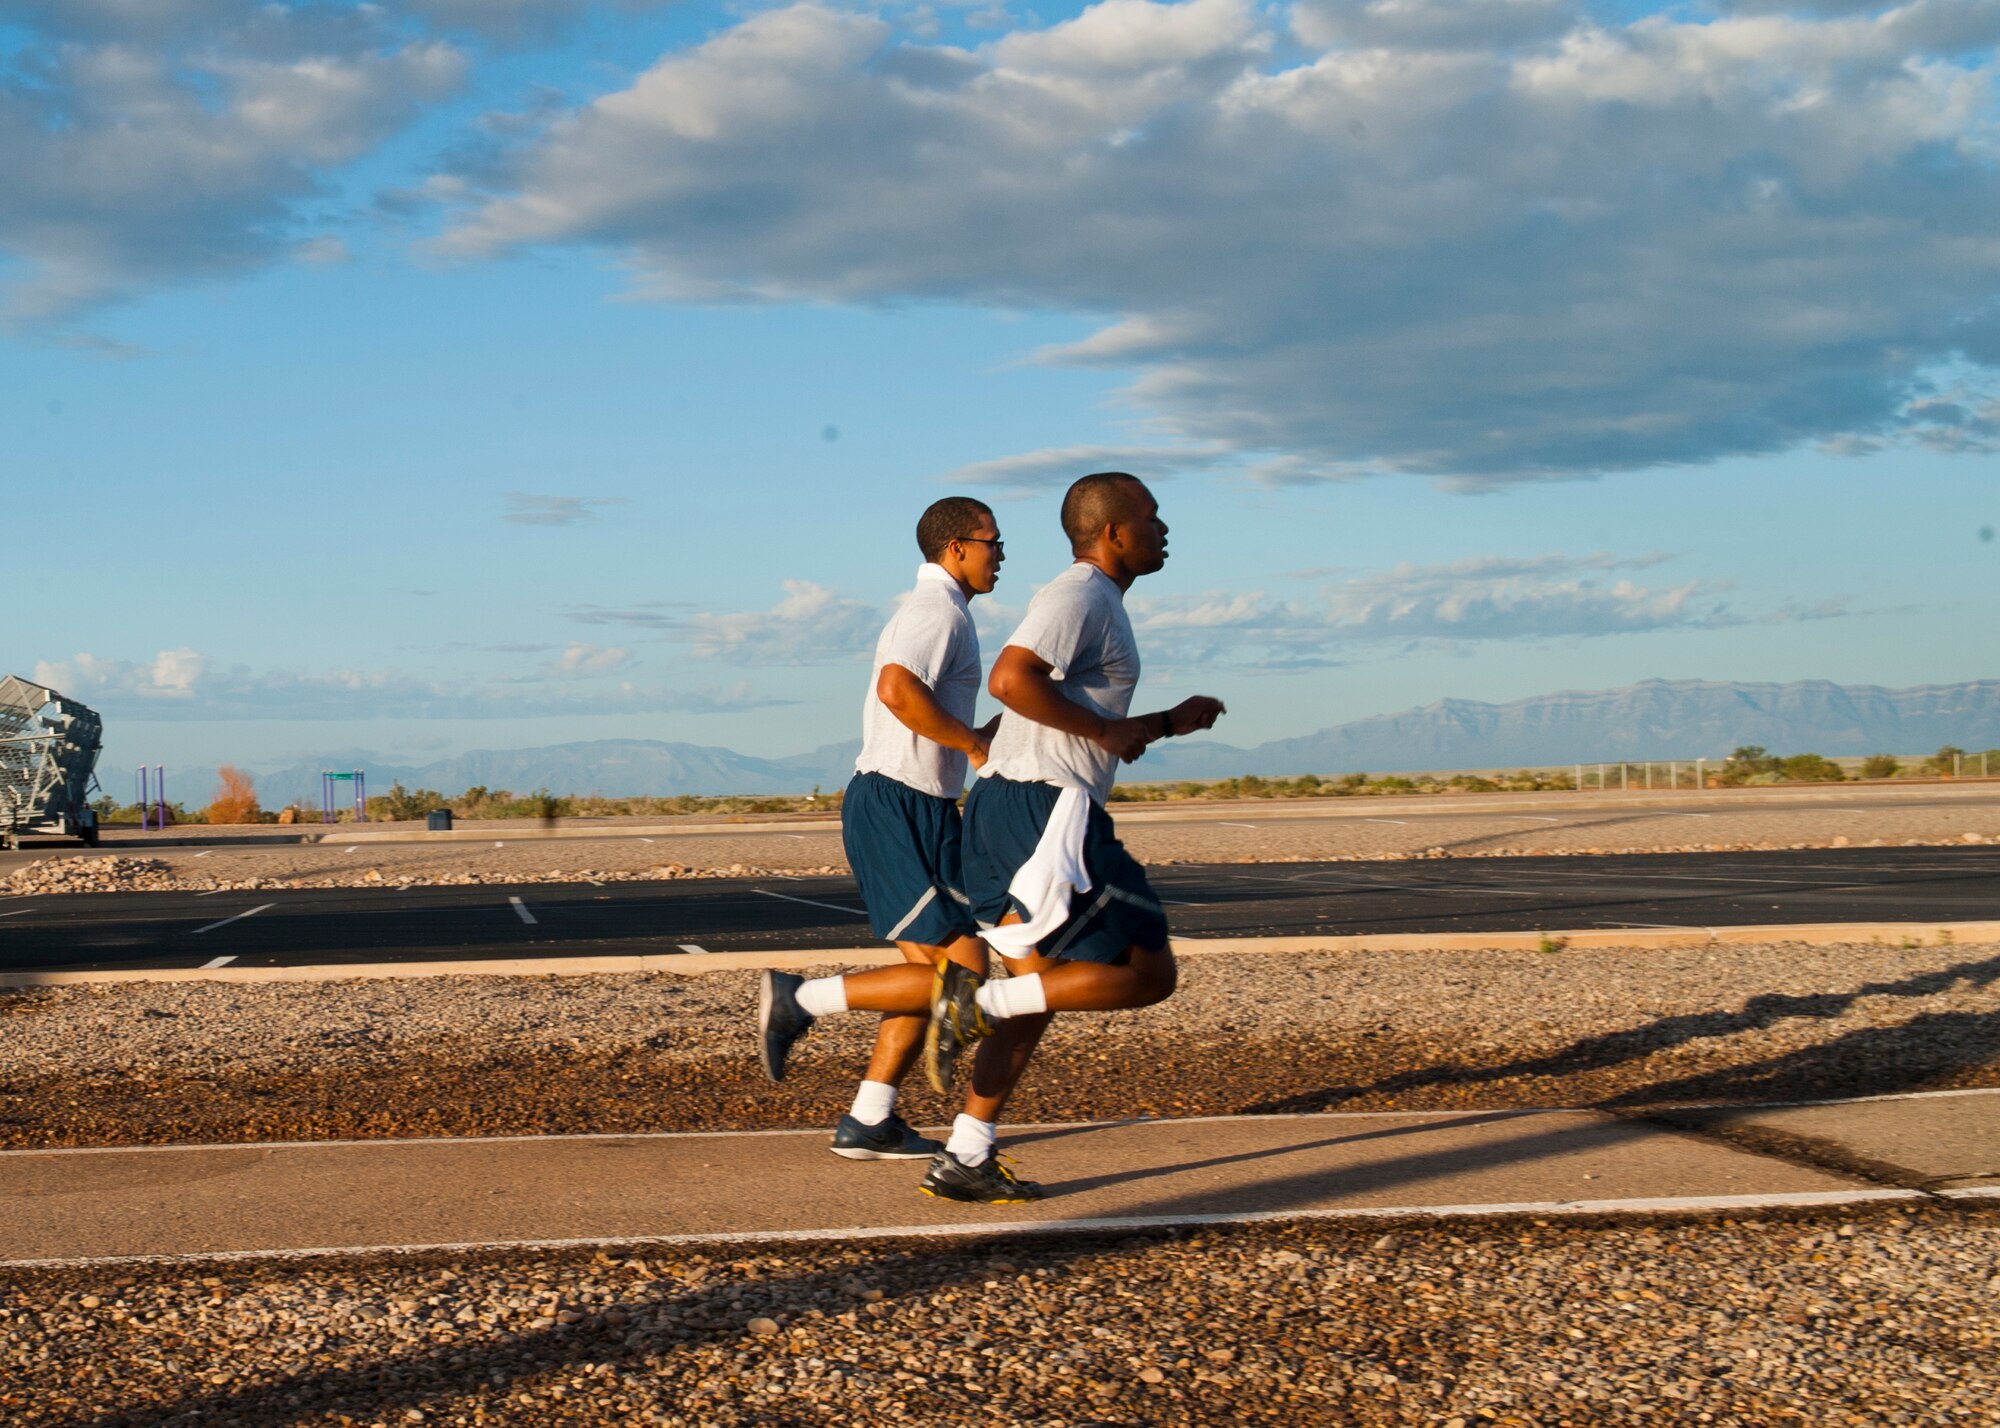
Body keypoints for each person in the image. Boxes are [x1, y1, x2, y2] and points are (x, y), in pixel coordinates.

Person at [917, 471, 1226, 1204]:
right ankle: (975, 1006)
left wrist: (1161, 723)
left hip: (1008, 807)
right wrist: (1106, 731)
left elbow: (1070, 718)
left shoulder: (1097, 602)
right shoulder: (1081, 594)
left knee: (1042, 991)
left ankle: (966, 1155)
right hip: (1044, 811)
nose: (1164, 529)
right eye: (1151, 517)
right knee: (1148, 973)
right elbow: (1010, 679)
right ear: (1113, 532)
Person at [756, 496, 1004, 1160]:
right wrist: (972, 747)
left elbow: (917, 705)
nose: (1001, 556)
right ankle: (799, 998)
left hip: (921, 806)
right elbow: (897, 689)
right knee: (963, 977)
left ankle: (870, 1117)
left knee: (952, 972)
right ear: (956, 548)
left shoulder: (943, 612)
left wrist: (981, 736)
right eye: (993, 543)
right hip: (898, 804)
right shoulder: (936, 612)